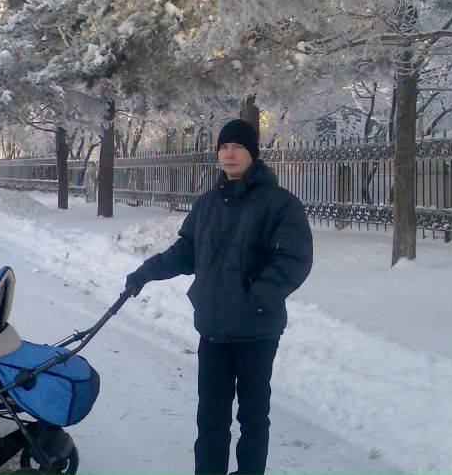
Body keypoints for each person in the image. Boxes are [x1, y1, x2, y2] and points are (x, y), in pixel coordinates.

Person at [125, 118, 314, 475]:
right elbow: (186, 252)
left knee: (253, 417)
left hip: (256, 331)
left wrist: (254, 299)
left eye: (238, 147)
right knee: (211, 418)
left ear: (252, 154)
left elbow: (294, 260)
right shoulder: (207, 205)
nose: (229, 153)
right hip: (213, 331)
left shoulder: (279, 204)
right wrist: (146, 272)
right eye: (224, 147)